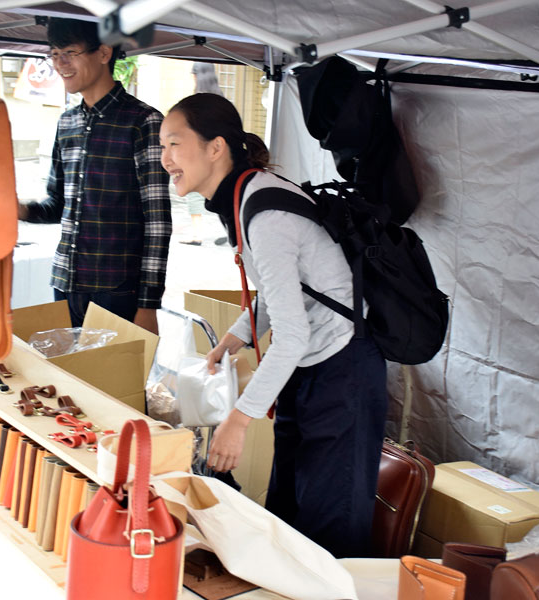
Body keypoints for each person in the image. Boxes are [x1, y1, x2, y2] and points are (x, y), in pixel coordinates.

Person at [159, 93, 388, 558]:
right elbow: (285, 289)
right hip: (310, 370)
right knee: (288, 514)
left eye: (174, 144)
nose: (165, 159)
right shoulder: (247, 195)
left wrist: (238, 420)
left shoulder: (264, 214)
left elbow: (293, 333)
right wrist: (236, 336)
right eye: (162, 147)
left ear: (215, 147)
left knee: (329, 532)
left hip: (342, 370)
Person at [18, 18, 171, 334]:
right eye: (55, 54)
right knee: (64, 368)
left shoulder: (143, 122)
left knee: (116, 370)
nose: (60, 64)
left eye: (70, 53)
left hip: (118, 291)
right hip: (65, 282)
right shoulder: (67, 123)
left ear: (103, 53)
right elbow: (58, 205)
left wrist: (148, 304)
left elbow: (157, 223)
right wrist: (20, 210)